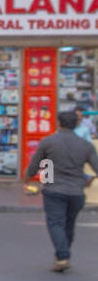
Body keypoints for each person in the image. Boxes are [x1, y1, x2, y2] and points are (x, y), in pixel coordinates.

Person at [24, 109, 98, 272]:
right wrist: (88, 179)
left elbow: (36, 165)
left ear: (58, 123)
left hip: (54, 190)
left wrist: (27, 181)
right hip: (76, 192)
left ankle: (63, 255)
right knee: (69, 225)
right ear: (77, 124)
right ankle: (61, 256)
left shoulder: (48, 142)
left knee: (55, 223)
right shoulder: (85, 145)